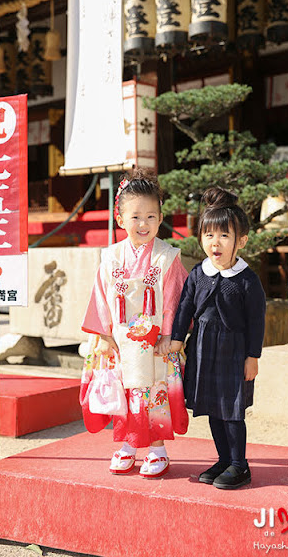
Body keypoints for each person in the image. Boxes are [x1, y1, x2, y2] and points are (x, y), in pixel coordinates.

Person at [80, 169, 189, 478]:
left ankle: (157, 449)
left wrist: (170, 335)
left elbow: (173, 298)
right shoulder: (110, 256)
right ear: (120, 219)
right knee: (123, 393)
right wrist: (103, 335)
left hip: (154, 342)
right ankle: (127, 445)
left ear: (161, 217)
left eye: (151, 216)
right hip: (119, 339)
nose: (144, 224)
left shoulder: (166, 256)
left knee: (153, 393)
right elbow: (100, 297)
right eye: (136, 217)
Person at [170, 187, 266, 489]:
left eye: (224, 236)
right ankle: (224, 459)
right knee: (213, 407)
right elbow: (185, 305)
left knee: (232, 411)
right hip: (201, 348)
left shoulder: (247, 279)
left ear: (241, 241)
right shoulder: (198, 273)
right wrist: (176, 339)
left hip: (234, 351)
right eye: (209, 235)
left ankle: (240, 465)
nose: (216, 242)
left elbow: (257, 320)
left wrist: (253, 357)